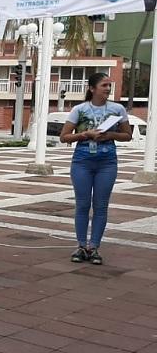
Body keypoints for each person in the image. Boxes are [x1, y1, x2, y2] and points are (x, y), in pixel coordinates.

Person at [59, 72, 131, 265]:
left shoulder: (117, 109)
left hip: (107, 162)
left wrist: (109, 135)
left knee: (101, 206)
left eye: (109, 85)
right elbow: (64, 136)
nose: (108, 89)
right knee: (83, 204)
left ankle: (94, 247)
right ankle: (81, 245)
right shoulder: (79, 109)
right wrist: (85, 134)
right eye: (104, 85)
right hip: (82, 161)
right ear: (92, 89)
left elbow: (128, 135)